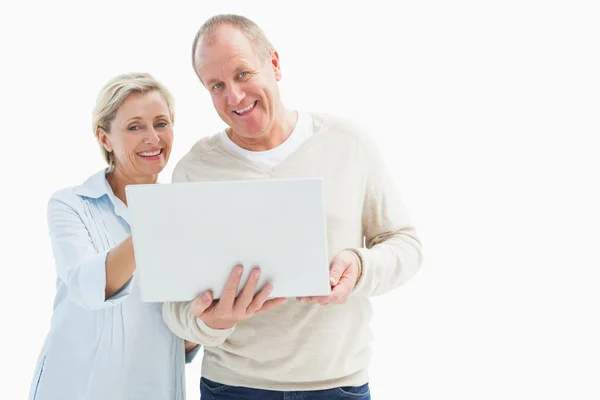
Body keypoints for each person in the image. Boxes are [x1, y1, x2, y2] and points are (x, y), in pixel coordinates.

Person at [162, 14, 423, 400]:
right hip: (233, 387)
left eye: (243, 74)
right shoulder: (195, 170)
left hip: (339, 385)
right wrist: (211, 323)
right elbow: (174, 306)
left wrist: (360, 266)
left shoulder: (347, 143)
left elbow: (407, 245)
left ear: (275, 64)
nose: (233, 96)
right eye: (216, 85)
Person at [29, 72, 198, 400]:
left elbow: (185, 334)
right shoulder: (71, 204)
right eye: (135, 127)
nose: (153, 138)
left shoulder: (186, 211)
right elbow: (87, 286)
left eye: (161, 123)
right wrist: (158, 219)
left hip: (154, 386)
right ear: (104, 138)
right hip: (76, 386)